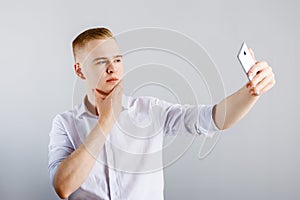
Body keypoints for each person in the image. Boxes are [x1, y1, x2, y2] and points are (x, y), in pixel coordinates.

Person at [48, 27, 275, 200]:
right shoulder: (65, 124)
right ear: (79, 70)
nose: (112, 68)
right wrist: (106, 120)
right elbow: (63, 186)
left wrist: (252, 91)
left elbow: (213, 119)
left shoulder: (150, 110)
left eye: (117, 60)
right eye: (100, 61)